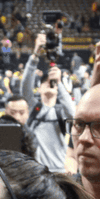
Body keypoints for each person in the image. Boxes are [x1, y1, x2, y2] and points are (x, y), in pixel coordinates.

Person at [22, 34, 75, 172]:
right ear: (38, 89)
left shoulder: (60, 111)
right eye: (45, 82)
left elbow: (73, 114)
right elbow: (25, 86)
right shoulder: (34, 107)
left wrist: (59, 82)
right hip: (34, 171)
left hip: (58, 170)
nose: (49, 84)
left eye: (52, 83)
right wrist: (35, 55)